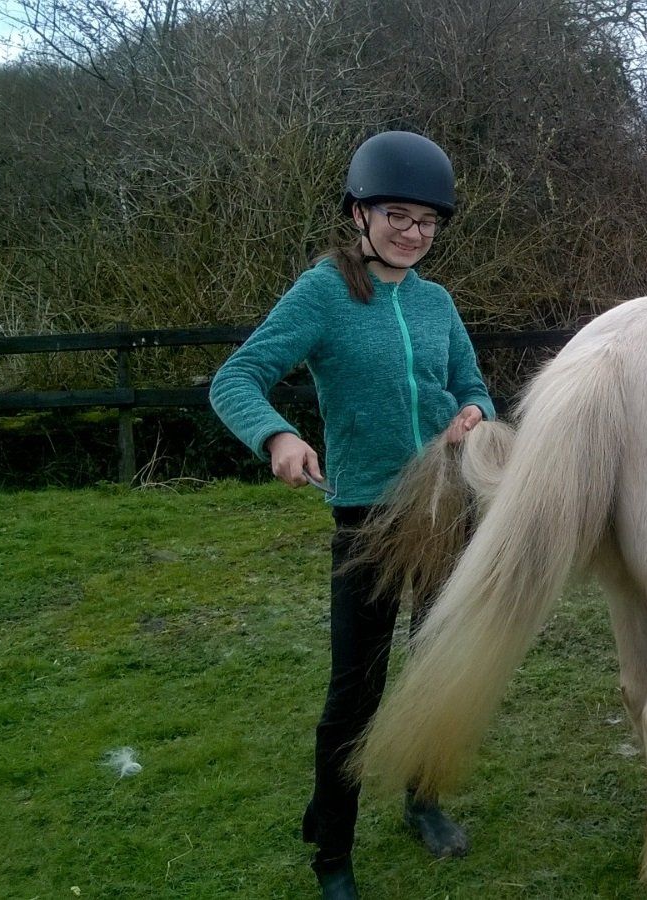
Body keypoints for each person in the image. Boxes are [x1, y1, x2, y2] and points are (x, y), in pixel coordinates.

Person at [210, 130, 495, 900]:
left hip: (446, 507)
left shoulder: (436, 301)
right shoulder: (326, 293)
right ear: (360, 214)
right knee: (356, 692)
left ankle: (424, 800)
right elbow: (236, 377)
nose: (414, 233)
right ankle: (332, 851)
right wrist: (276, 434)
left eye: (428, 222)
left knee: (439, 666)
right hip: (369, 520)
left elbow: (474, 385)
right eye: (398, 215)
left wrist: (470, 413)